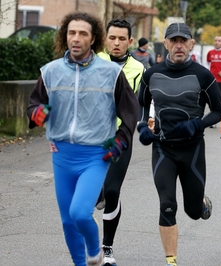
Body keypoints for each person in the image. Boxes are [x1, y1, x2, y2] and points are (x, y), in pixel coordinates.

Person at [26, 11, 138, 266]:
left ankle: (94, 249)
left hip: (95, 155)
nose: (76, 38)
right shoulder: (51, 71)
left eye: (83, 33)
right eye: (71, 33)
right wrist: (38, 114)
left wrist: (120, 140)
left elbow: (130, 111)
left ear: (94, 38)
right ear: (65, 36)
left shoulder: (110, 72)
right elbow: (34, 104)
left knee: (79, 212)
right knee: (67, 220)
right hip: (61, 154)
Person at [136, 22, 221, 266]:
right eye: (173, 40)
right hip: (163, 148)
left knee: (193, 212)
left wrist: (198, 125)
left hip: (192, 149)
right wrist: (143, 127)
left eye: (183, 41)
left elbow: (219, 111)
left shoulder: (202, 75)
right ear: (165, 44)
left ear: (191, 44)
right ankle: (171, 261)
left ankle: (202, 202)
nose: (178, 45)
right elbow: (141, 107)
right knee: (167, 205)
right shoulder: (152, 74)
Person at [96, 18, 144, 266]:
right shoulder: (92, 62)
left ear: (130, 41)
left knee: (113, 190)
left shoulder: (138, 68)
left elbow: (143, 102)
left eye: (121, 39)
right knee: (94, 192)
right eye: (112, 37)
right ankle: (98, 193)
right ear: (105, 38)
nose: (116, 43)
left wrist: (147, 122)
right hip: (92, 137)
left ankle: (108, 249)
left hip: (121, 136)